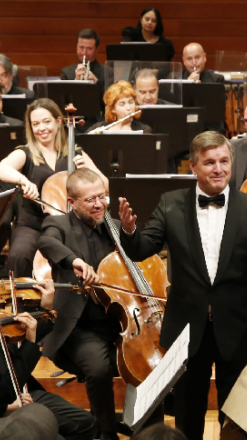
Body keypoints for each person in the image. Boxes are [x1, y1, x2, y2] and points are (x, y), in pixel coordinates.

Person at [118, 131, 247, 440]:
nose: (218, 169)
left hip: (236, 326)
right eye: (209, 162)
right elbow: (144, 247)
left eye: (224, 161)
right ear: (193, 167)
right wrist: (129, 231)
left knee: (237, 415)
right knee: (186, 413)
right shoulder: (171, 204)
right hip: (185, 328)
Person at [37, 169, 123, 440]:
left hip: (121, 321)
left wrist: (132, 232)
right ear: (72, 203)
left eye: (102, 197)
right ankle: (107, 432)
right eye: (90, 200)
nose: (99, 204)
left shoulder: (116, 228)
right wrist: (73, 260)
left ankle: (145, 424)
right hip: (80, 327)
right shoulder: (59, 224)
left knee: (153, 359)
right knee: (99, 368)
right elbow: (46, 241)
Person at [0, 98, 108, 278]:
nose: (41, 128)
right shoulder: (25, 153)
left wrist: (88, 170)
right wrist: (23, 180)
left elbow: (105, 186)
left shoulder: (75, 153)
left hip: (67, 225)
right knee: (19, 255)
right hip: (33, 224)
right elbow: (2, 167)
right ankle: (21, 301)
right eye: (35, 124)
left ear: (58, 122)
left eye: (46, 121)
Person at [0, 279, 96, 440]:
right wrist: (6, 407)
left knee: (85, 422)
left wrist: (45, 310)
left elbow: (12, 365)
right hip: (8, 400)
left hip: (18, 387)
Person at [87, 81, 151, 134]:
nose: (128, 108)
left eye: (130, 102)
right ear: (113, 109)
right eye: (122, 104)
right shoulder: (98, 127)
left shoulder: (144, 130)